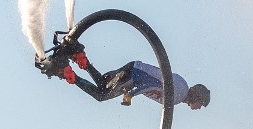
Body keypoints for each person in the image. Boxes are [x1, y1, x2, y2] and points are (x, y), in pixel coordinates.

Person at [35, 36, 210, 110]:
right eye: (199, 105)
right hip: (133, 78)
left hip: (133, 69)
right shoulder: (178, 95)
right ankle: (67, 73)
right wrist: (131, 95)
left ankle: (81, 59)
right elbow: (152, 84)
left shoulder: (182, 85)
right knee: (101, 95)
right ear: (196, 95)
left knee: (103, 83)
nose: (197, 108)